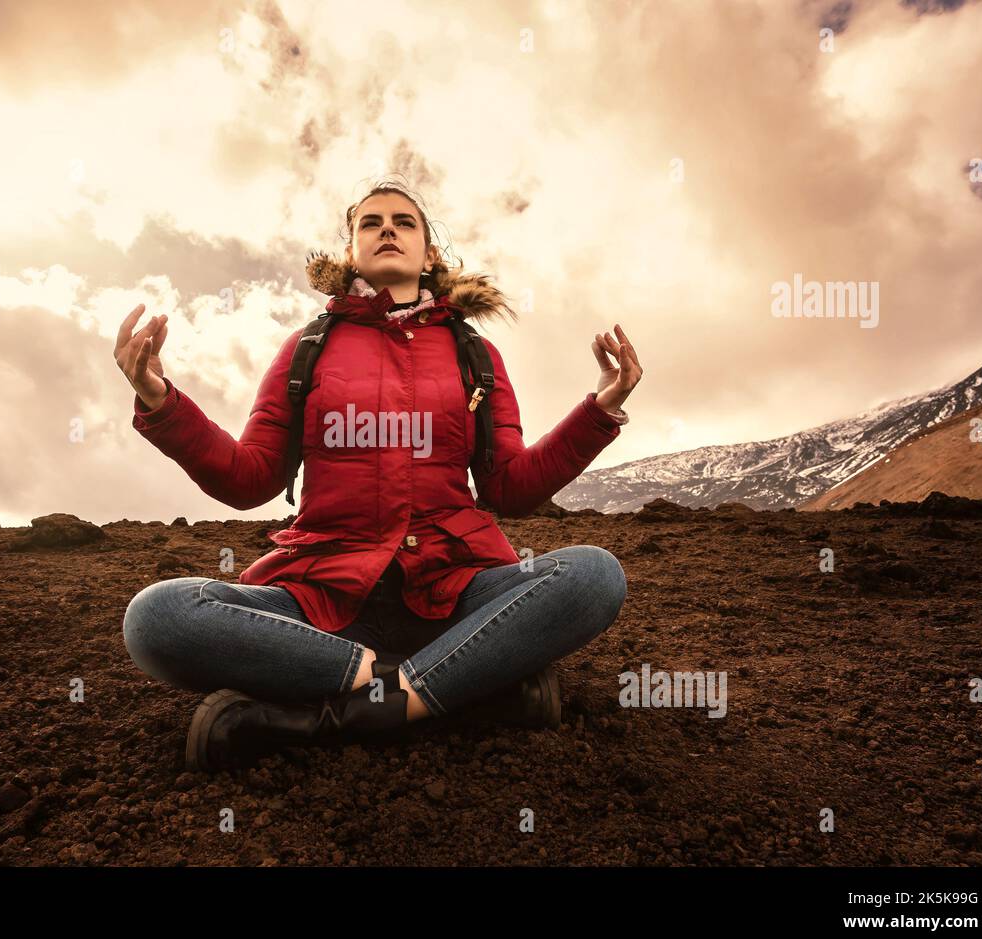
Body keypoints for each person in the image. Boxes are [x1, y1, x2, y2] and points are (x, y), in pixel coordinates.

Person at [115, 181, 642, 772]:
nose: (386, 230)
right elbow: (250, 479)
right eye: (370, 224)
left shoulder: (474, 354)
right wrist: (163, 404)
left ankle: (331, 712)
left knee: (592, 574)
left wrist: (598, 411)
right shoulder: (306, 348)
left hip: (454, 593)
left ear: (429, 254)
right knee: (158, 616)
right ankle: (457, 685)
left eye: (403, 222)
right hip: (325, 601)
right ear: (352, 251)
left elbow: (510, 488)